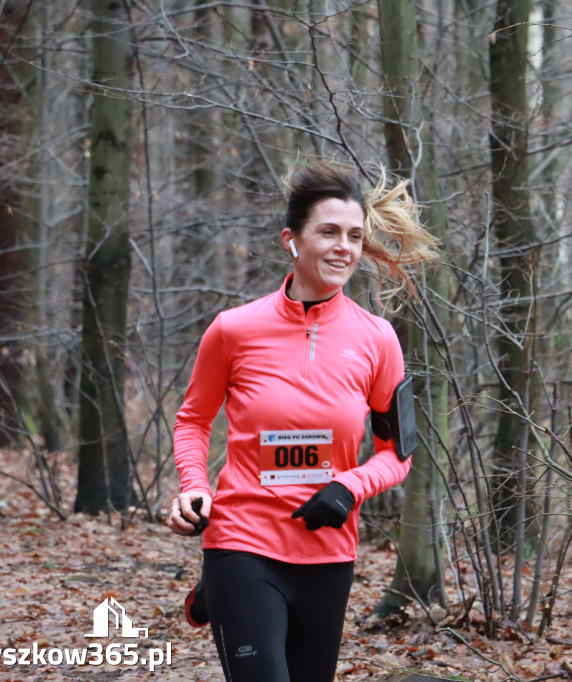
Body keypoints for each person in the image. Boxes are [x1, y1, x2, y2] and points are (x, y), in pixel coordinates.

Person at [167, 162, 438, 682]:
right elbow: (193, 420)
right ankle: (223, 588)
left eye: (355, 236)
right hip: (242, 540)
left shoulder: (378, 338)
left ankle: (215, 597)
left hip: (327, 553)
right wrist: (194, 487)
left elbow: (397, 453)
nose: (344, 247)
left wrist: (349, 486)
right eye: (329, 232)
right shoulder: (234, 330)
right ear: (292, 240)